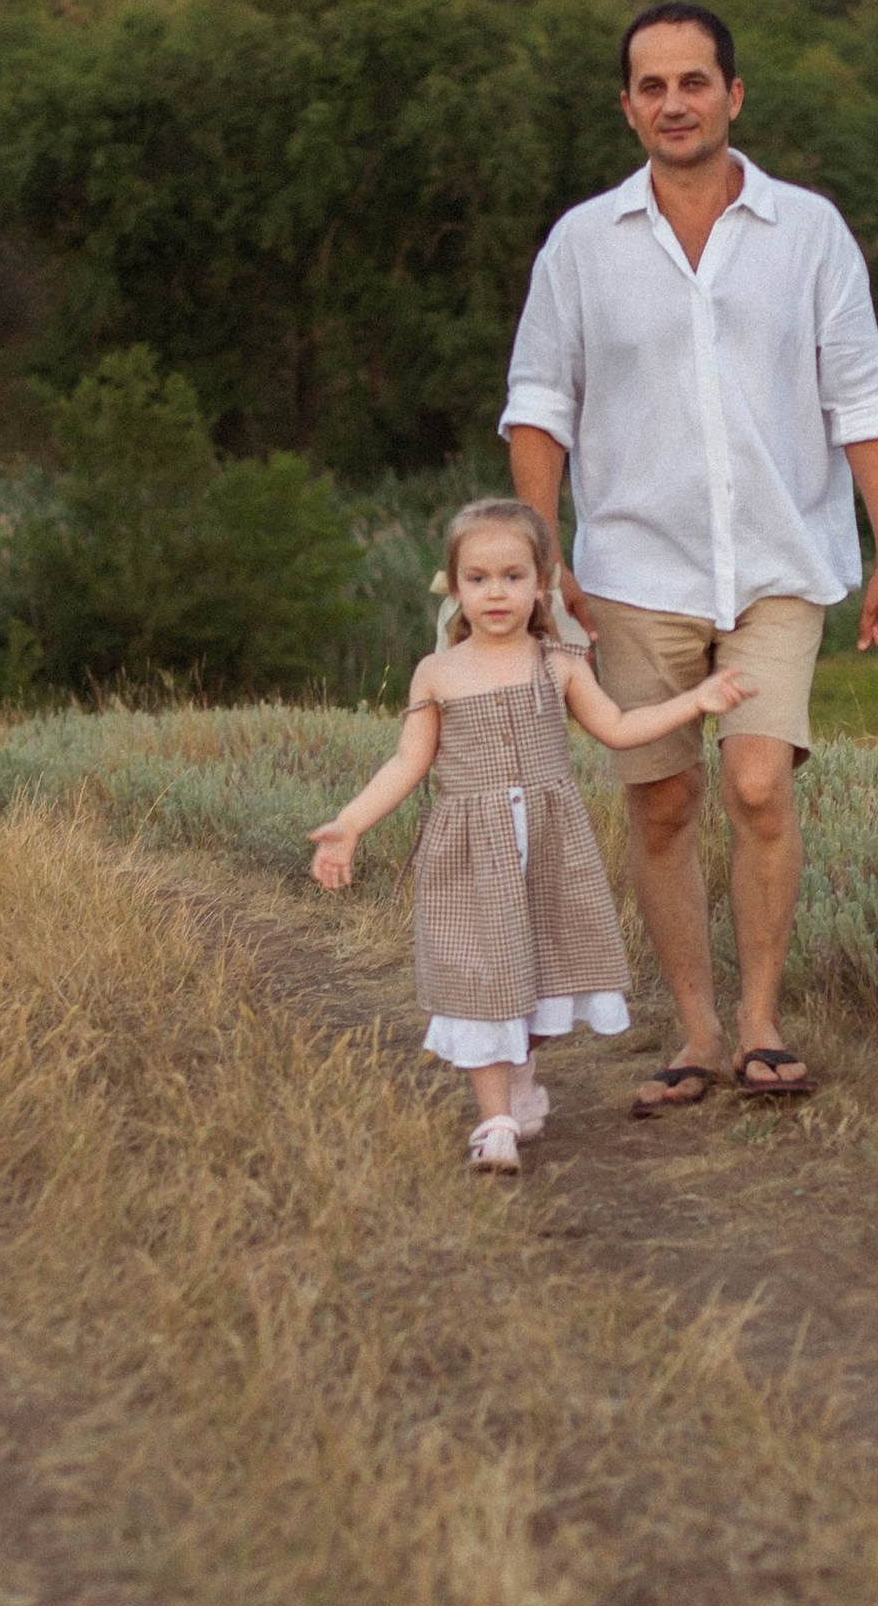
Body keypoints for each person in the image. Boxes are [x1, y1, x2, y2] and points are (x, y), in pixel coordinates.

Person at [502, 0, 878, 1112]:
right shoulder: (582, 244)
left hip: (779, 562)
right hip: (635, 573)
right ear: (627, 107)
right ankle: (694, 1030)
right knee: (663, 805)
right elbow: (538, 406)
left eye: (694, 82)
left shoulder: (809, 231)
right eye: (653, 86)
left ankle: (762, 1022)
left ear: (733, 94)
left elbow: (863, 399)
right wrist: (544, 562)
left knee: (757, 783)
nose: (674, 103)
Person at [308, 497, 747, 1173]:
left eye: (513, 576)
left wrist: (697, 700)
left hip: (548, 848)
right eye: (478, 578)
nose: (495, 592)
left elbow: (618, 728)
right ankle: (496, 1124)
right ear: (455, 588)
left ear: (541, 582)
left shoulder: (558, 662)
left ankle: (519, 1075)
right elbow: (406, 764)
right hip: (470, 854)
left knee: (544, 981)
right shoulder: (438, 673)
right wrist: (349, 824)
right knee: (481, 982)